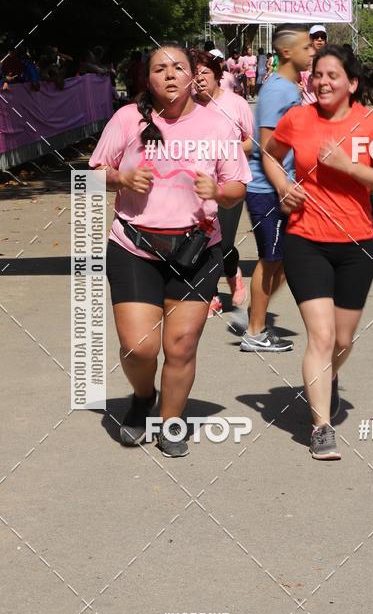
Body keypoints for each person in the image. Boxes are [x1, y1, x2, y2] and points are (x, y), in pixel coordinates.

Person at [89, 43, 251, 457]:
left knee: (180, 345)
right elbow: (93, 175)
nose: (171, 74)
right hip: (134, 245)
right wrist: (122, 179)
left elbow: (236, 187)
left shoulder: (218, 125)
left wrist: (218, 190)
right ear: (149, 78)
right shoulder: (127, 119)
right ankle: (144, 396)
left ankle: (172, 419)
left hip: (196, 250)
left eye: (179, 67)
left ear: (194, 74)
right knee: (139, 346)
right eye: (160, 68)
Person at [264, 45, 373, 460]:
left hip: (357, 242)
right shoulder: (297, 118)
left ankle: (328, 378)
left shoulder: (371, 124)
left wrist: (345, 165)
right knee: (320, 336)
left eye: (332, 75)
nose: (322, 82)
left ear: (351, 83)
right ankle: (321, 426)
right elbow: (270, 154)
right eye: (317, 75)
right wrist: (283, 187)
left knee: (342, 339)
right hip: (306, 238)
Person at [241, 24, 314, 352]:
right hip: (267, 189)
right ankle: (254, 332)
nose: (312, 52)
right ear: (286, 52)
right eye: (306, 47)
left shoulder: (290, 87)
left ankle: (256, 313)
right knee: (270, 260)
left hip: (282, 187)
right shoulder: (277, 90)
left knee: (282, 260)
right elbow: (267, 147)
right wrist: (283, 185)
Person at [193, 51, 253, 316]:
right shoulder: (187, 105)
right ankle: (211, 293)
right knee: (201, 241)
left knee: (224, 243)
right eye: (194, 74)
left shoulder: (236, 103)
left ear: (218, 76)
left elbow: (252, 142)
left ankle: (233, 272)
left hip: (229, 184)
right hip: (197, 186)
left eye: (204, 73)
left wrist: (225, 153)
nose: (199, 79)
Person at [300, 25, 328, 104]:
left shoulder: (330, 59)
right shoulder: (303, 59)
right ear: (310, 39)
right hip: (306, 107)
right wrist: (296, 86)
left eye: (323, 37)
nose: (320, 39)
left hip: (325, 106)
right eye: (316, 37)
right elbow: (294, 79)